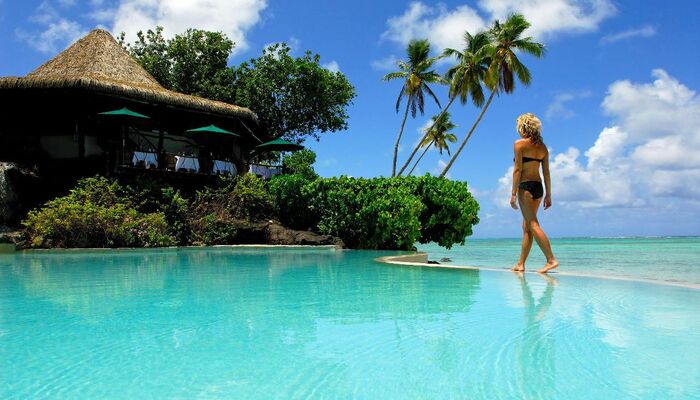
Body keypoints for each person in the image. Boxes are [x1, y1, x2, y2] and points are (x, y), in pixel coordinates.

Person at [509, 113, 558, 273]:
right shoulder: (543, 148)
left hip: (526, 187)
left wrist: (513, 193)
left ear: (523, 127)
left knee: (532, 224)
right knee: (527, 226)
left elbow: (517, 170)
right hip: (539, 188)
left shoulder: (519, 144)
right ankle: (521, 264)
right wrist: (548, 195)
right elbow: (547, 173)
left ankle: (551, 260)